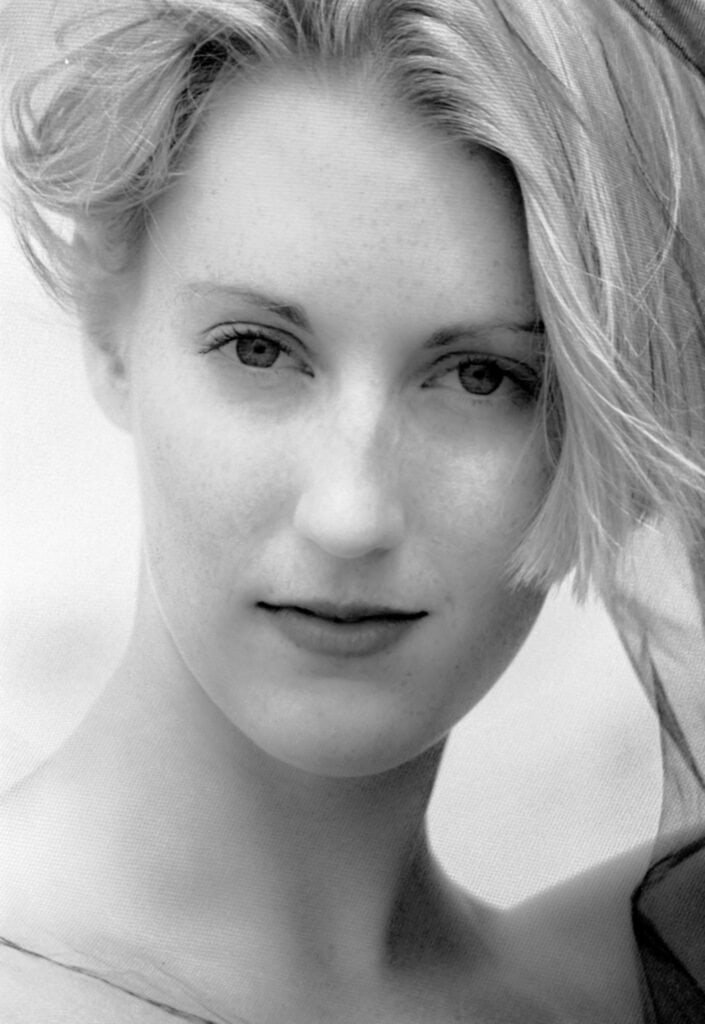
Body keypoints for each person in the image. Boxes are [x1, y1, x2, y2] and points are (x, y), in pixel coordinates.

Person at [1, 0, 704, 1021]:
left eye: (482, 377)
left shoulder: (640, 974)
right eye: (259, 349)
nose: (350, 513)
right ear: (112, 319)